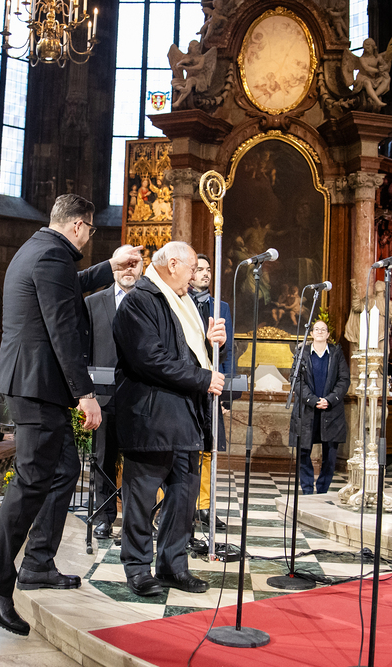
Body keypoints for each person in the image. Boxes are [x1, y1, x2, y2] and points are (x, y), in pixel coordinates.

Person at [0, 194, 142, 636]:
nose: (88, 237)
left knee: (63, 469)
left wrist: (110, 266)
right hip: (38, 386)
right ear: (80, 225)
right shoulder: (51, 256)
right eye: (90, 230)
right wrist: (85, 393)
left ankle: (38, 563)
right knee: (31, 481)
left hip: (34, 383)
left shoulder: (40, 249)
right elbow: (63, 327)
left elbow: (68, 286)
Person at [113, 241, 226, 597]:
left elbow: (189, 355)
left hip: (186, 417)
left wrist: (212, 344)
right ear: (173, 264)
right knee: (141, 498)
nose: (195, 277)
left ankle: (173, 566)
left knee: (183, 497)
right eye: (192, 269)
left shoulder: (184, 304)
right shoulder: (140, 301)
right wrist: (203, 378)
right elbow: (150, 359)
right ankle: (137, 568)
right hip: (151, 417)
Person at [85, 244, 143, 539]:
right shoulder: (93, 303)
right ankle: (104, 517)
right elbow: (85, 350)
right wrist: (85, 393)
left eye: (136, 263)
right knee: (103, 458)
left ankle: (136, 520)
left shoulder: (153, 302)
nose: (130, 269)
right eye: (125, 263)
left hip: (142, 397)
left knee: (139, 461)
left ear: (143, 268)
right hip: (104, 396)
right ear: (114, 265)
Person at [189, 253, 233, 532]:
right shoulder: (180, 302)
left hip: (212, 388)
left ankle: (204, 507)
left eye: (208, 269)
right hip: (186, 382)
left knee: (208, 446)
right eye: (200, 269)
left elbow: (229, 351)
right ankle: (172, 506)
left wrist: (225, 395)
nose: (206, 274)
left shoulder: (221, 307)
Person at [289, 319, 350, 494]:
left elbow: (344, 379)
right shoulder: (302, 353)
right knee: (303, 452)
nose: (320, 332)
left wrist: (329, 399)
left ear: (328, 334)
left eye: (323, 329)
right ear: (312, 333)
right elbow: (295, 379)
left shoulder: (336, 353)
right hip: (307, 410)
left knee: (330, 455)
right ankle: (307, 489)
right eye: (317, 329)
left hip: (331, 411)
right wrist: (312, 400)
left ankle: (322, 489)